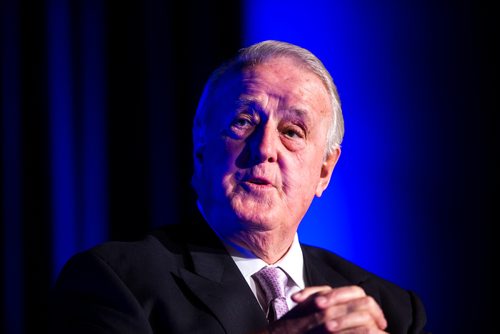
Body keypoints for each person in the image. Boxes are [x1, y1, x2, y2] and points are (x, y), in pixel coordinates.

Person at [49, 40, 429, 334]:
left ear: (325, 171)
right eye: (243, 122)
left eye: (292, 132)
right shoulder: (116, 280)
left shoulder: (390, 308)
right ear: (201, 149)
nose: (264, 148)